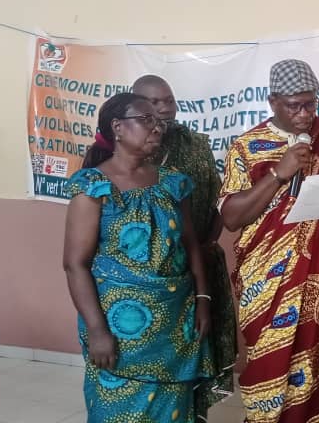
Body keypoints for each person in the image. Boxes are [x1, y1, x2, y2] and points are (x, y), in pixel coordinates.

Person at [219, 59, 319, 422]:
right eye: (294, 106)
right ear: (273, 102)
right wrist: (279, 172)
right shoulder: (246, 147)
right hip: (268, 283)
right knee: (271, 366)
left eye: (310, 104)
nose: (305, 114)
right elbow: (231, 217)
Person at [62, 92, 216, 422]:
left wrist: (203, 300)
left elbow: (191, 245)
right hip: (119, 332)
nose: (157, 127)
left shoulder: (172, 183)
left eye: (159, 122)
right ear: (117, 127)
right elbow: (75, 265)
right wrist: (97, 330)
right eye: (146, 120)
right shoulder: (93, 187)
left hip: (175, 327)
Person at [133, 75, 237, 411]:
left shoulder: (195, 145)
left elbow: (219, 196)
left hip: (199, 265)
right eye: (155, 102)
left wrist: (208, 242)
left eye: (169, 101)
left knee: (200, 350)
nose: (165, 109)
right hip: (151, 280)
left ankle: (194, 414)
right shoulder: (123, 153)